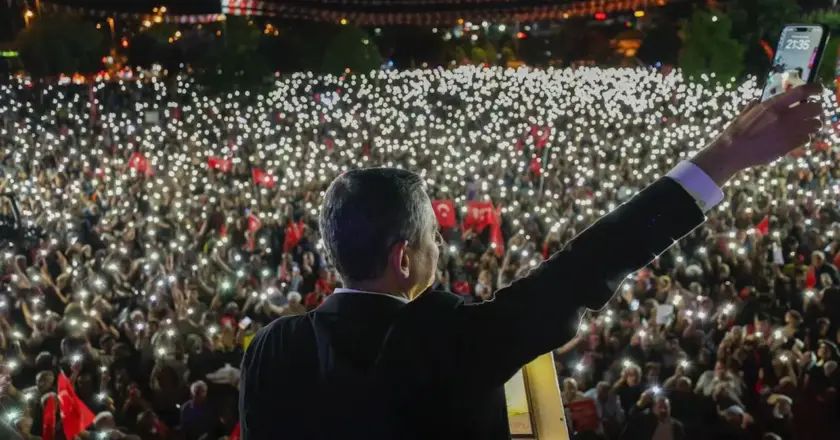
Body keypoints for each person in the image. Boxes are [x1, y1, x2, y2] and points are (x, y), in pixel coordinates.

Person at [238, 84, 824, 439]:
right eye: (433, 240)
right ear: (403, 259)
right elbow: (589, 263)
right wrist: (726, 156)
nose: (441, 250)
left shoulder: (270, 350)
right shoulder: (451, 339)